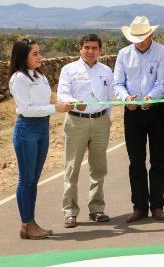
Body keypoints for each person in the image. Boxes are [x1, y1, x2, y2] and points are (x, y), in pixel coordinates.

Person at [9, 38, 73, 239]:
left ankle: (31, 223)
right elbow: (27, 109)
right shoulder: (18, 78)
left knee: (34, 180)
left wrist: (62, 104)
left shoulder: (38, 75)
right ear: (23, 56)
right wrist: (56, 108)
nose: (40, 57)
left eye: (39, 52)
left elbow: (43, 102)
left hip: (42, 128)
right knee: (26, 180)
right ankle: (26, 224)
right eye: (35, 54)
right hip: (27, 129)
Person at [113, 16, 164, 223]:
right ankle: (139, 206)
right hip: (132, 112)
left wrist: (151, 98)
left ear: (151, 35)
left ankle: (157, 205)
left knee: (158, 160)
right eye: (136, 37)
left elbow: (163, 82)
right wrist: (125, 98)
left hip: (157, 111)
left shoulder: (163, 52)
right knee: (136, 161)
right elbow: (117, 83)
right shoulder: (123, 54)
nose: (140, 41)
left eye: (144, 37)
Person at [57, 34, 114, 228]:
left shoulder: (106, 71)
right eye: (87, 47)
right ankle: (70, 212)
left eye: (94, 48)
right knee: (72, 168)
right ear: (80, 49)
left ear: (100, 50)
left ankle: (96, 208)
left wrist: (109, 117)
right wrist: (75, 103)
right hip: (76, 122)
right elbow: (63, 94)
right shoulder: (69, 70)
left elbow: (109, 97)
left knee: (98, 168)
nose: (90, 51)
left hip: (100, 122)